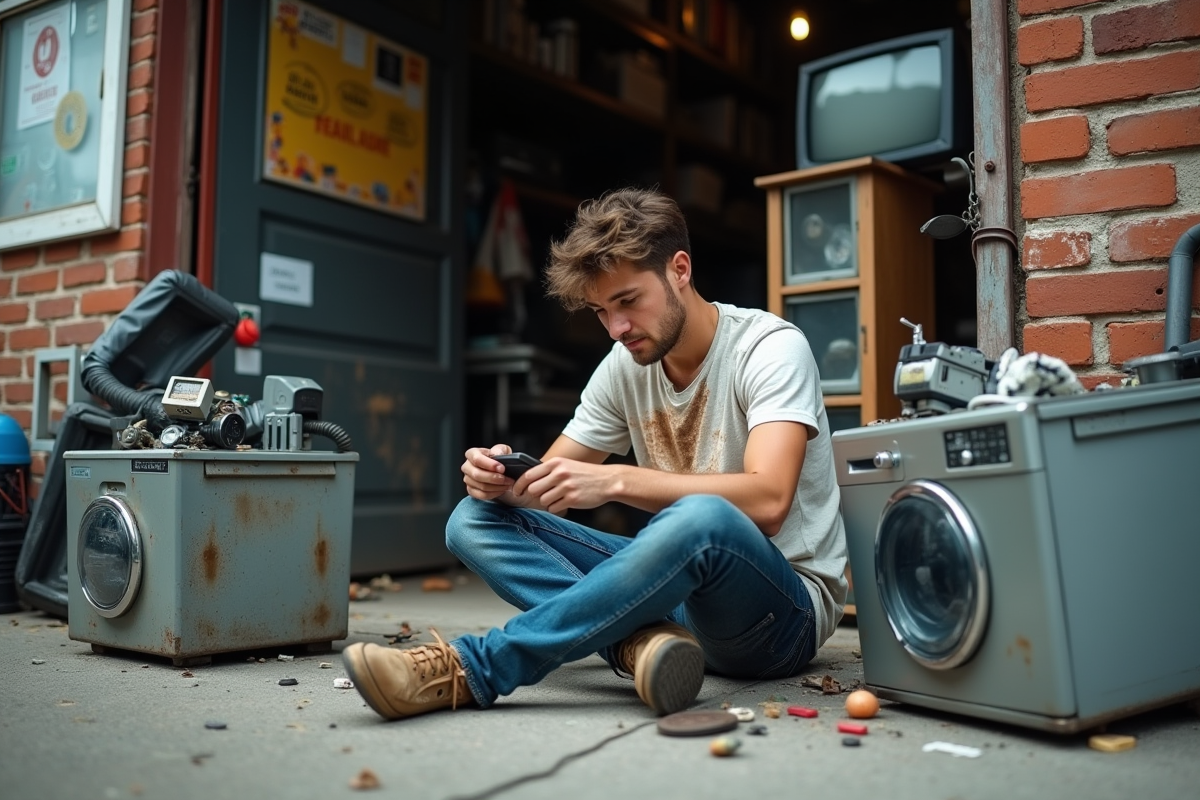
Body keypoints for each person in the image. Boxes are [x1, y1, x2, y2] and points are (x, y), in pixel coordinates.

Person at [342, 187, 848, 720]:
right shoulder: (624, 364)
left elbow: (769, 501)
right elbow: (544, 490)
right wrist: (500, 481)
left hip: (780, 615)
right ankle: (638, 645)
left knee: (700, 519)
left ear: (679, 270)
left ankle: (474, 669)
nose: (616, 328)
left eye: (628, 301)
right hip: (678, 595)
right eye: (601, 311)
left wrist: (614, 481)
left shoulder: (769, 348)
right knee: (472, 521)